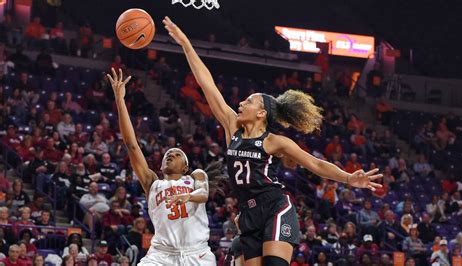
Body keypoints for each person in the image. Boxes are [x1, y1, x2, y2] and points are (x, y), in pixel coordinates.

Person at [163, 16, 382, 266]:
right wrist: (185, 44)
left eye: (248, 102)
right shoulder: (231, 125)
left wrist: (349, 178)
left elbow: (316, 165)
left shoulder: (276, 142)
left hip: (274, 208)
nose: (240, 104)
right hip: (247, 213)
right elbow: (206, 83)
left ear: (261, 113)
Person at [107, 68, 215, 265]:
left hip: (196, 253)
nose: (170, 155)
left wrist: (188, 196)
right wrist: (120, 100)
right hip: (161, 254)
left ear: (185, 168)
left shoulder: (195, 177)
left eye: (176, 154)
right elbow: (131, 144)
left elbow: (204, 194)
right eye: (167, 155)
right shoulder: (152, 183)